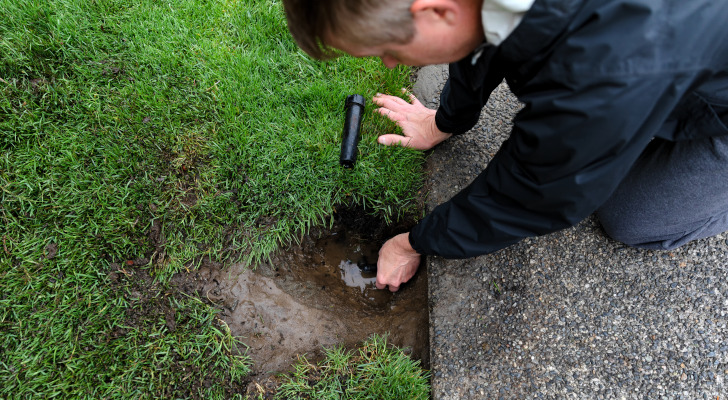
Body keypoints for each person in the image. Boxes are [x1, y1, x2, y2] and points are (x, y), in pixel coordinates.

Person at [283, 0, 728, 291]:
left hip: (691, 84)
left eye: (387, 47)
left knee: (630, 216)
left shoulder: (604, 68)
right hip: (680, 52)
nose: (389, 62)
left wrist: (413, 243)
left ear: (435, 10)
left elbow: (538, 190)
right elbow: (480, 36)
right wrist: (446, 119)